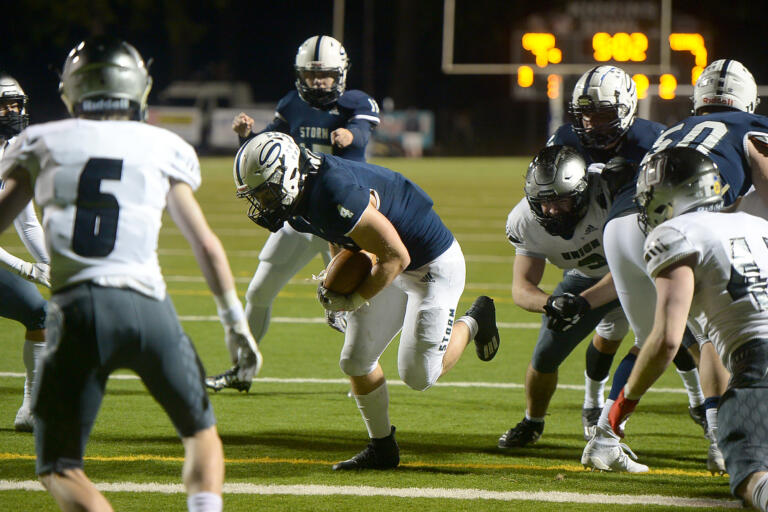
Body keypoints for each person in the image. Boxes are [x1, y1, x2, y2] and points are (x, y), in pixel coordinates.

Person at [0, 37, 261, 512]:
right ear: (139, 88)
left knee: (60, 467)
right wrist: (235, 322)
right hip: (149, 309)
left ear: (70, 89)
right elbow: (205, 243)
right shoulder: (163, 144)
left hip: (76, 313)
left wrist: (21, 266)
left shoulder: (40, 141)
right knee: (201, 434)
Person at [232, 131, 501, 470]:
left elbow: (397, 257)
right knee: (356, 360)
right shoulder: (302, 192)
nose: (263, 203)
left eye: (265, 193)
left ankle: (476, 318)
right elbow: (338, 235)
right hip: (384, 258)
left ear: (287, 176)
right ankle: (382, 447)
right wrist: (337, 277)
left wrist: (354, 298)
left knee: (419, 375)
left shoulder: (333, 191)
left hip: (430, 264)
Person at [580, 58, 768, 473]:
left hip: (626, 225)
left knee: (652, 339)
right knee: (709, 340)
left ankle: (605, 437)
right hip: (685, 222)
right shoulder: (751, 127)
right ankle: (721, 442)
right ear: (748, 99)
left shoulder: (675, 129)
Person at [544, 66, 706, 460]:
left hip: (643, 244)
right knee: (622, 333)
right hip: (593, 252)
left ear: (626, 108)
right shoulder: (566, 140)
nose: (590, 123)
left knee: (669, 331)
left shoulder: (652, 139)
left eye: (600, 113)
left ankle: (698, 404)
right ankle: (597, 408)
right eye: (584, 114)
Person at [206, 34, 380, 392]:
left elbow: (361, 133)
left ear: (340, 74)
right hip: (298, 215)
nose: (318, 82)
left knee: (352, 306)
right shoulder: (291, 104)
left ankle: (365, 374)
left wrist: (350, 136)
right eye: (312, 75)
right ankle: (242, 370)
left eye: (326, 75)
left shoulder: (356, 104)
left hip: (339, 219)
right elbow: (267, 147)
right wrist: (247, 136)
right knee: (258, 293)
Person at [609, 146, 768, 510]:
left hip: (758, 362)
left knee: (752, 478)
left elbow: (667, 340)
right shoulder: (758, 224)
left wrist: (623, 405)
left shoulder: (675, 234)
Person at [497, 145, 629, 448]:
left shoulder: (609, 191)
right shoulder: (525, 221)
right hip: (585, 278)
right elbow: (522, 287)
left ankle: (705, 409)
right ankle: (533, 422)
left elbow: (628, 269)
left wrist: (584, 302)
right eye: (544, 202)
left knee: (681, 343)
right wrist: (550, 303)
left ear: (582, 191)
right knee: (545, 354)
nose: (552, 210)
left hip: (639, 273)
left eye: (561, 200)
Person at [0, 73, 51, 432]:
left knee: (37, 312)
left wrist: (48, 263)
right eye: (4, 105)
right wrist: (28, 269)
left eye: (15, 104)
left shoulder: (11, 150)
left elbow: (26, 219)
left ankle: (30, 409)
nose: (12, 112)